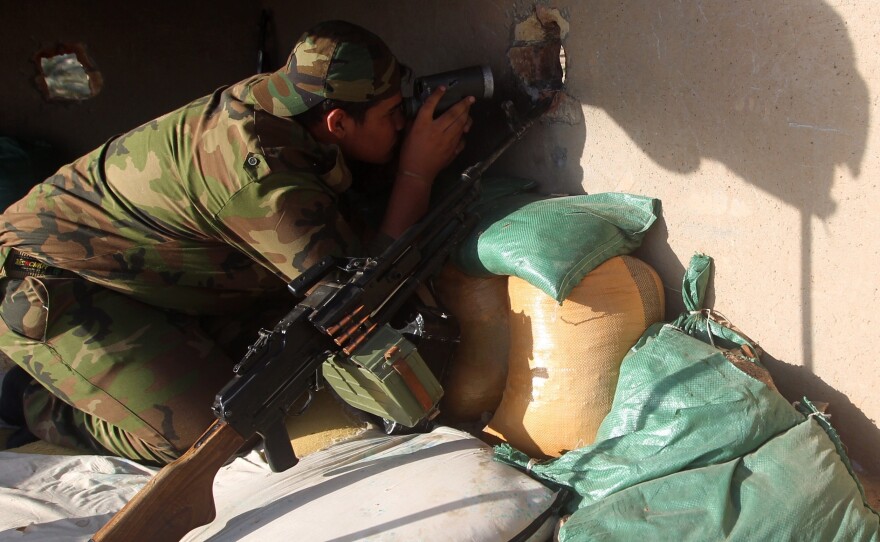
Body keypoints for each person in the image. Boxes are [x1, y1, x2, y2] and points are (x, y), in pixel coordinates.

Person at [0, 20, 473, 465]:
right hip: (52, 283)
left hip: (142, 271)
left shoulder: (283, 102)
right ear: (338, 124)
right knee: (216, 433)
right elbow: (354, 297)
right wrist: (416, 173)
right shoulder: (260, 175)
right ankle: (34, 401)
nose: (401, 123)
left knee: (269, 349)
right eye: (392, 114)